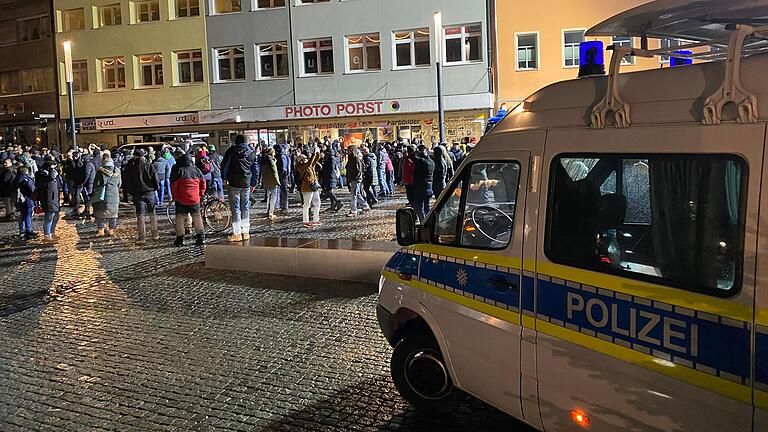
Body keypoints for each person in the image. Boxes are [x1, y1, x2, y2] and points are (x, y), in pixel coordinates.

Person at [221, 134, 254, 242]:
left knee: (235, 208)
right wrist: (253, 182)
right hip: (246, 183)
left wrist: (224, 178)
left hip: (233, 183)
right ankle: (246, 232)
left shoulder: (231, 151)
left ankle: (237, 233)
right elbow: (255, 168)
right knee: (245, 207)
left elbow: (225, 165)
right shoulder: (251, 152)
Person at [122, 149, 159, 245]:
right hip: (149, 192)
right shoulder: (149, 165)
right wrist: (155, 188)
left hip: (137, 193)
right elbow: (155, 178)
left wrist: (131, 192)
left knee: (140, 215)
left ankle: (142, 237)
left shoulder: (132, 167)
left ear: (135, 156)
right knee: (152, 213)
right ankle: (155, 234)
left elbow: (127, 181)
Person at [170, 152, 206, 247]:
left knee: (180, 219)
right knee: (197, 218)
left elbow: (174, 186)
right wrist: (200, 194)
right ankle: (200, 238)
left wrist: (175, 197)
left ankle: (180, 239)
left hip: (182, 199)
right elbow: (203, 183)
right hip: (195, 200)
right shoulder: (197, 170)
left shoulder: (179, 171)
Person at [92, 155, 122, 237]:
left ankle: (101, 230)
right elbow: (119, 184)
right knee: (113, 213)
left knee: (100, 212)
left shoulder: (100, 172)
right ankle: (111, 230)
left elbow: (96, 184)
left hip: (102, 195)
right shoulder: (118, 171)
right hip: (114, 194)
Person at [296, 150, 322, 228]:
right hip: (306, 188)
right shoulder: (301, 167)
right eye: (304, 158)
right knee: (307, 204)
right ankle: (305, 221)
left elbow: (314, 161)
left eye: (306, 158)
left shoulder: (309, 166)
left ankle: (315, 220)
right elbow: (309, 163)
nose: (306, 159)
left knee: (317, 203)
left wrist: (317, 153)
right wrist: (313, 154)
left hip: (314, 187)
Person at [36, 161, 60, 243]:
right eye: (53, 167)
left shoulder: (49, 174)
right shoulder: (43, 175)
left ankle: (51, 233)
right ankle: (47, 235)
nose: (55, 169)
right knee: (49, 217)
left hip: (53, 198)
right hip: (48, 198)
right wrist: (51, 169)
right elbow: (51, 177)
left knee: (55, 217)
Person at [12, 165, 36, 240]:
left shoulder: (16, 179)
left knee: (23, 215)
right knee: (28, 215)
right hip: (28, 199)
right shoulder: (26, 179)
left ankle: (22, 231)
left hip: (19, 200)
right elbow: (32, 189)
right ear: (26, 171)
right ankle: (28, 230)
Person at [412, 145, 435, 223]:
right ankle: (429, 221)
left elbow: (415, 158)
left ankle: (423, 222)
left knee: (418, 206)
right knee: (427, 206)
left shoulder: (422, 162)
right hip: (429, 187)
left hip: (421, 188)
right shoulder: (432, 162)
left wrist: (415, 152)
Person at [345, 145, 370, 217]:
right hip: (353, 178)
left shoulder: (356, 158)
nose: (348, 151)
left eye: (349, 150)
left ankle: (353, 211)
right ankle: (365, 206)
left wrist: (356, 178)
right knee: (357, 194)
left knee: (353, 195)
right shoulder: (351, 158)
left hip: (355, 179)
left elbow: (359, 170)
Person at [260, 147, 280, 220]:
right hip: (272, 180)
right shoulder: (271, 160)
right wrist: (277, 181)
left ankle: (268, 211)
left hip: (266, 179)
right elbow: (274, 171)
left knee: (268, 196)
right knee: (273, 197)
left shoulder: (263, 159)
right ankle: (271, 212)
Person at [274, 144, 291, 213]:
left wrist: (279, 175)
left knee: (283, 191)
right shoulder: (282, 155)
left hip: (282, 176)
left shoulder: (281, 156)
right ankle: (281, 205)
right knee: (281, 190)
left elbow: (284, 168)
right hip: (282, 175)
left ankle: (285, 206)